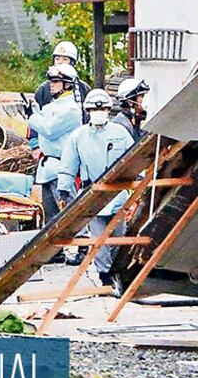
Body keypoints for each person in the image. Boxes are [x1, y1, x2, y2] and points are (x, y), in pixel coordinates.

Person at [58, 89, 134, 283]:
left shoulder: (120, 133)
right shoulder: (78, 137)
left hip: (118, 193)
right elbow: (68, 166)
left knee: (119, 238)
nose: (98, 112)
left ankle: (120, 272)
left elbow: (135, 159)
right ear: (88, 111)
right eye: (93, 109)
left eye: (102, 109)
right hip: (93, 193)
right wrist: (65, 190)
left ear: (108, 110)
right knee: (99, 239)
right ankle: (105, 275)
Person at [27, 63, 85, 227]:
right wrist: (33, 109)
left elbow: (49, 129)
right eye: (51, 81)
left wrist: (32, 117)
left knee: (70, 214)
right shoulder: (50, 107)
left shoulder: (72, 110)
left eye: (56, 81)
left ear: (67, 84)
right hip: (47, 169)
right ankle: (56, 252)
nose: (51, 84)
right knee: (50, 217)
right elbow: (41, 125)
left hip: (63, 168)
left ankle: (81, 245)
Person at [29, 41, 91, 163]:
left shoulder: (84, 89)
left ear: (73, 63)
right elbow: (37, 117)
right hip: (51, 149)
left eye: (65, 59)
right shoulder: (44, 89)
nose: (60, 62)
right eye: (57, 59)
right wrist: (35, 145)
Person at [114, 78, 150, 143]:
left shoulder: (135, 119)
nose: (144, 99)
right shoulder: (121, 123)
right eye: (142, 96)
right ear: (130, 101)